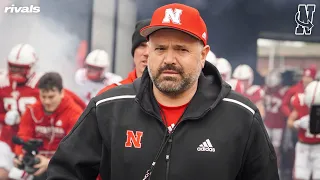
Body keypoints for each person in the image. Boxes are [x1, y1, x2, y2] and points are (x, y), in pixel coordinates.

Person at [47, 3, 279, 180]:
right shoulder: (109, 108)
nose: (169, 59)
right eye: (160, 48)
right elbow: (64, 172)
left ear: (203, 54)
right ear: (148, 51)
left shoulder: (241, 116)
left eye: (181, 49)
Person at [0, 44, 86, 149]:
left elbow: (70, 100)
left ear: (32, 67)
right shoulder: (2, 82)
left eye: (21, 69)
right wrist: (5, 118)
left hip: (36, 140)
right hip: (9, 139)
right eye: (13, 67)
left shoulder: (42, 83)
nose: (16, 72)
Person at [13, 72, 83, 179]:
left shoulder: (75, 113)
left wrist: (50, 162)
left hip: (63, 165)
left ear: (62, 93)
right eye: (43, 96)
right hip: (36, 163)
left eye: (51, 97)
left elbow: (74, 149)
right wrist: (19, 156)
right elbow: (23, 136)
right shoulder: (31, 110)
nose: (47, 101)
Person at [97, 19, 151, 94]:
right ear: (134, 51)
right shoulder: (109, 95)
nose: (147, 53)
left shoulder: (171, 96)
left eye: (153, 47)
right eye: (142, 45)